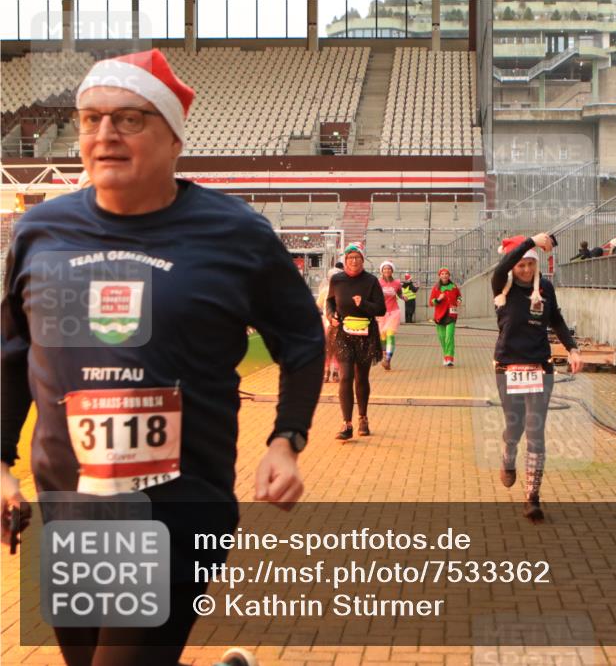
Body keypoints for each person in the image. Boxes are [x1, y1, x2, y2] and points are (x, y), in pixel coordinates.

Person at [0, 49, 325, 666]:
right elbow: (12, 352)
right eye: (91, 119)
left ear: (174, 136)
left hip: (174, 512)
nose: (105, 135)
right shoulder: (42, 231)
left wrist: (286, 439)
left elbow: (304, 338)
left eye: (129, 118)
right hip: (68, 510)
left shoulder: (234, 234)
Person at [492, 234, 582, 523]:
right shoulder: (501, 285)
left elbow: (555, 318)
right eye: (520, 265)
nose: (526, 270)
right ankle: (508, 456)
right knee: (514, 427)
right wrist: (531, 240)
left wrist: (573, 348)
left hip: (540, 367)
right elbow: (501, 266)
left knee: (535, 430)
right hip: (508, 367)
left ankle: (532, 497)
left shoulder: (544, 288)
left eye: (530, 264)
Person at [326, 243, 386, 440]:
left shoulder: (371, 281)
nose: (353, 261)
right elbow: (330, 301)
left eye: (357, 258)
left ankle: (363, 417)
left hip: (366, 335)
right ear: (345, 259)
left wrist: (364, 304)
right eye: (350, 257)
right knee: (345, 377)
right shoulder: (337, 280)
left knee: (361, 378)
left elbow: (381, 309)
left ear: (362, 260)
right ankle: (347, 423)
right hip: (343, 334)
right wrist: (330, 315)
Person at [430, 267, 461, 366]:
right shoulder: (436, 288)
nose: (444, 275)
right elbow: (431, 302)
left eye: (446, 274)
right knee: (442, 338)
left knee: (449, 336)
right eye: (442, 274)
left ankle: (450, 358)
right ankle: (446, 356)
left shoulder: (454, 286)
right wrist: (438, 299)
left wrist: (459, 300)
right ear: (439, 276)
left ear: (449, 275)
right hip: (440, 315)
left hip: (451, 315)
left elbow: (459, 295)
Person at [376, 261, 403, 370]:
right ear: (382, 271)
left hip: (394, 312)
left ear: (392, 271)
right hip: (382, 313)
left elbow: (399, 293)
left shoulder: (397, 283)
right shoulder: (378, 282)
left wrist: (403, 297)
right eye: (384, 269)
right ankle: (384, 357)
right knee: (383, 336)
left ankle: (387, 359)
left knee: (390, 334)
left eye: (389, 269)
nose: (387, 270)